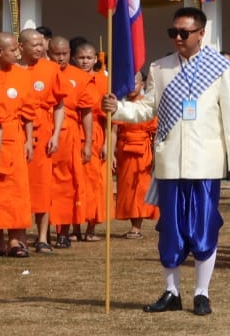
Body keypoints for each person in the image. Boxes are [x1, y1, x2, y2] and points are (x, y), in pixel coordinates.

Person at [102, 7, 230, 316]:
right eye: (174, 33)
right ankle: (171, 291)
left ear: (201, 33)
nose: (178, 38)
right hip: (169, 163)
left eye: (184, 33)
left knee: (204, 227)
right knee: (171, 230)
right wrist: (119, 108)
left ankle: (201, 293)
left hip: (205, 163)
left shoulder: (221, 68)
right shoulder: (161, 67)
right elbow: (147, 110)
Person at [0, 32, 34, 257]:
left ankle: (16, 240)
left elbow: (28, 112)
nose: (18, 53)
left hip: (14, 138)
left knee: (17, 191)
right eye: (13, 50)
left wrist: (29, 141)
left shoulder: (22, 75)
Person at [18, 29, 66, 253]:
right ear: (21, 47)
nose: (39, 48)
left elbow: (59, 104)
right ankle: (16, 236)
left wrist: (56, 134)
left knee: (43, 186)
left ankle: (43, 237)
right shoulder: (13, 70)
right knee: (17, 185)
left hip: (44, 131)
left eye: (41, 44)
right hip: (17, 131)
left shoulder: (52, 69)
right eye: (34, 44)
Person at [46, 35, 89, 248]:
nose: (61, 58)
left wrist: (88, 142)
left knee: (65, 182)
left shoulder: (79, 77)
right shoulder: (41, 72)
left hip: (68, 133)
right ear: (49, 53)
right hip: (42, 129)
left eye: (64, 54)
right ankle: (42, 232)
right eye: (57, 54)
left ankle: (62, 230)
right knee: (44, 183)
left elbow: (87, 112)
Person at [113, 71, 159, 238]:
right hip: (125, 151)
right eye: (128, 83)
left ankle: (137, 227)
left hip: (143, 152)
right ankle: (133, 223)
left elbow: (155, 133)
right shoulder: (121, 105)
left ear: (142, 85)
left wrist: (156, 156)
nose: (132, 87)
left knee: (140, 189)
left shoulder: (146, 106)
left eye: (135, 83)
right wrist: (111, 152)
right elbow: (114, 130)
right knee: (126, 189)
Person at [73, 39, 109, 242]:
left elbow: (110, 117)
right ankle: (73, 226)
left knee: (95, 182)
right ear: (74, 58)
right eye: (81, 58)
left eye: (89, 58)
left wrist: (107, 145)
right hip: (72, 131)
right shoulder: (68, 78)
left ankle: (91, 228)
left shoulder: (102, 81)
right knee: (75, 181)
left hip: (95, 134)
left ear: (96, 59)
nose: (85, 61)